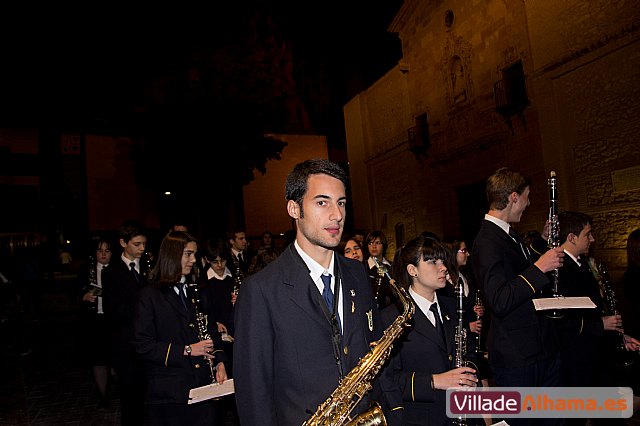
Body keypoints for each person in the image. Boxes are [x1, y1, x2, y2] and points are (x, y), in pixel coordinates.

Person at [233, 159, 379, 425]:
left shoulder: (358, 274)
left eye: (342, 202)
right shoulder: (260, 290)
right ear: (294, 208)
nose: (337, 214)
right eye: (322, 202)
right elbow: (255, 395)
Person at [471, 167, 564, 425]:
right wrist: (540, 268)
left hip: (539, 349)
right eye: (526, 196)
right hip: (518, 358)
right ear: (513, 197)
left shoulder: (507, 233)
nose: (528, 203)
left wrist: (543, 242)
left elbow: (516, 270)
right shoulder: (487, 240)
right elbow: (500, 299)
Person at [379, 236, 479, 426]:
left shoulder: (453, 307)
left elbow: (471, 353)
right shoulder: (391, 317)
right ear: (412, 270)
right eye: (433, 262)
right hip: (423, 417)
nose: (443, 268)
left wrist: (470, 375)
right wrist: (433, 381)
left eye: (443, 261)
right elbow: (388, 380)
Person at [133, 231, 228, 426]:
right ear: (172, 255)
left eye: (194, 254)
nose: (193, 260)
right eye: (188, 254)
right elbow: (142, 345)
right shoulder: (150, 296)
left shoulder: (197, 290)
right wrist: (187, 350)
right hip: (170, 395)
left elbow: (211, 331)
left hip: (203, 388)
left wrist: (219, 361)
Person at [102, 219, 149, 426]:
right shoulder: (111, 273)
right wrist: (146, 312)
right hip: (126, 345)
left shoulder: (148, 268)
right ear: (123, 243)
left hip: (149, 342)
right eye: (136, 244)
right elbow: (115, 310)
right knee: (130, 399)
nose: (142, 249)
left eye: (144, 244)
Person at [76, 237, 113, 408]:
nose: (104, 254)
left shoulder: (117, 270)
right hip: (95, 320)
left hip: (114, 320)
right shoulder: (87, 270)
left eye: (107, 251)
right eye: (100, 251)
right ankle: (103, 396)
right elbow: (75, 291)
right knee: (98, 360)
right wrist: (82, 296)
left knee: (116, 358)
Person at [365, 230, 396, 309]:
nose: (374, 246)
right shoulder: (363, 267)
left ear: (383, 245)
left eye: (377, 243)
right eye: (370, 243)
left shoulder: (392, 266)